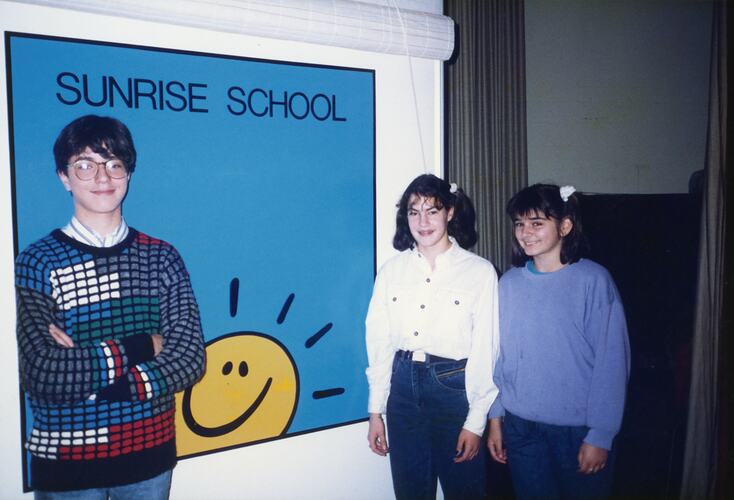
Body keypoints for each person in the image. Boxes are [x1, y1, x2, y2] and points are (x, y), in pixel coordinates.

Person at [14, 115, 206, 498]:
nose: (102, 177)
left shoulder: (162, 258)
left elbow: (189, 361)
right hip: (66, 467)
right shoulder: (36, 262)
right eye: (85, 165)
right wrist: (146, 345)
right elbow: (42, 373)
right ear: (64, 177)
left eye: (114, 164)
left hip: (149, 461)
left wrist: (88, 381)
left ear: (128, 175)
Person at [487, 183, 630, 499]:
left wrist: (601, 434)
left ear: (565, 225)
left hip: (577, 433)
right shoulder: (507, 284)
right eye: (519, 224)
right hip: (521, 428)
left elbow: (612, 363)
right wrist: (495, 417)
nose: (526, 232)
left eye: (537, 223)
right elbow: (498, 356)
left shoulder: (593, 280)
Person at [365, 174, 499, 499]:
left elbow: (486, 350)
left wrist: (475, 422)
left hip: (454, 391)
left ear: (450, 212)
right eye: (414, 212)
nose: (422, 222)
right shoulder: (391, 271)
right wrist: (375, 411)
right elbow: (379, 342)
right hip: (402, 389)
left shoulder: (479, 272)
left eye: (432, 210)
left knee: (465, 491)